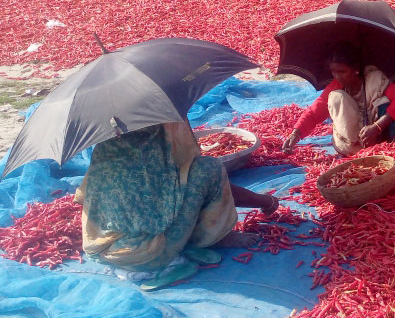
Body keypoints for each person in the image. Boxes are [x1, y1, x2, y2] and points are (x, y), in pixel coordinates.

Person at [75, 120, 278, 289]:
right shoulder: (163, 140)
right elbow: (199, 178)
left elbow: (84, 196)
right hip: (146, 255)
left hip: (99, 249)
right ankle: (215, 237)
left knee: (173, 191)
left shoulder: (105, 145)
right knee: (208, 168)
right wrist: (264, 201)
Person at [281, 46, 395, 157]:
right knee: (336, 97)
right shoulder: (336, 85)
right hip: (351, 141)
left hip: (378, 133)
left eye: (342, 71)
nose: (337, 76)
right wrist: (296, 134)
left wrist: (376, 127)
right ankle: (359, 147)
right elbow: (314, 112)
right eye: (333, 71)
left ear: (356, 69)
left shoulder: (374, 79)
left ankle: (383, 141)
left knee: (385, 101)